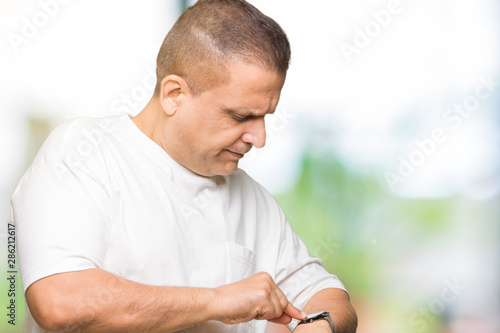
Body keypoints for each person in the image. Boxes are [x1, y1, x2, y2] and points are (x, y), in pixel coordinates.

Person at [11, 0, 357, 332]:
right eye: (241, 116)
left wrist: (317, 327)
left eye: (265, 116)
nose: (260, 137)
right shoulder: (84, 152)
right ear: (174, 94)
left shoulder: (254, 200)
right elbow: (60, 302)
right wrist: (218, 301)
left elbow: (327, 297)